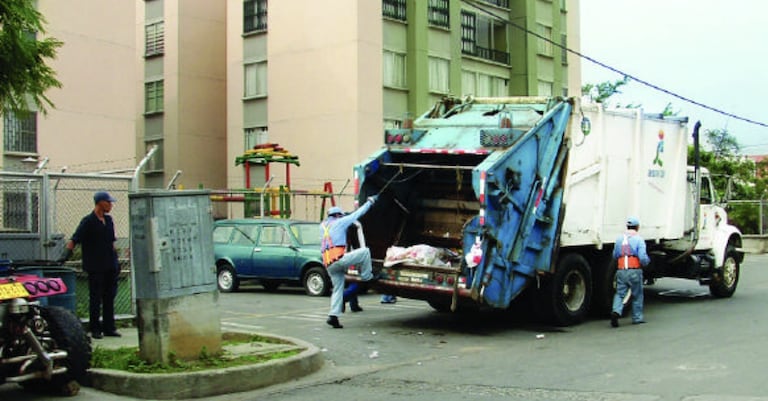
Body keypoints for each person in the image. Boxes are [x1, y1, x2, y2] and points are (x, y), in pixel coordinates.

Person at [60, 191, 121, 339]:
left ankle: (109, 327)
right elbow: (74, 240)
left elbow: (112, 243)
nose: (111, 205)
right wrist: (64, 256)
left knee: (109, 297)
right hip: (95, 266)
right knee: (96, 297)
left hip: (110, 265)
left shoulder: (109, 220)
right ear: (100, 203)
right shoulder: (88, 221)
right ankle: (95, 328)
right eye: (108, 202)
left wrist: (116, 262)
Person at [320, 196, 378, 328]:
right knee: (365, 252)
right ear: (339, 215)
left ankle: (333, 316)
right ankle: (367, 276)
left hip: (328, 264)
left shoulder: (323, 226)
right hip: (339, 259)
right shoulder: (340, 222)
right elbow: (358, 214)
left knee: (337, 289)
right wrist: (370, 202)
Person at [610, 216, 651, 328]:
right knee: (637, 294)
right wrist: (647, 262)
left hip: (621, 270)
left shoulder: (619, 239)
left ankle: (616, 311)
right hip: (634, 270)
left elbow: (615, 255)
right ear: (637, 227)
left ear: (627, 226)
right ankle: (637, 318)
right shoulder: (639, 239)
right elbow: (642, 257)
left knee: (620, 293)